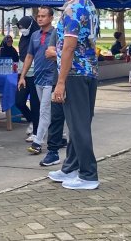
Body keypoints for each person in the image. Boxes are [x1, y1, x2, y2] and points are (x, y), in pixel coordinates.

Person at [47, 0, 100, 190]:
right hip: (89, 71)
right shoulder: (89, 5)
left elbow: (68, 47)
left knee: (78, 126)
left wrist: (60, 82)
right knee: (80, 123)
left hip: (75, 73)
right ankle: (71, 166)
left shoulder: (73, 9)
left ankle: (88, 174)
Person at [20, 7, 57, 155]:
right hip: (38, 78)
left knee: (44, 111)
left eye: (43, 16)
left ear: (51, 18)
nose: (40, 19)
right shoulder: (35, 35)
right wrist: (22, 76)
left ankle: (38, 142)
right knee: (47, 110)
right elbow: (29, 56)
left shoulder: (56, 34)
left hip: (51, 78)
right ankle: (58, 136)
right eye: (38, 16)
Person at [40, 28, 70, 166]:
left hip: (77, 79)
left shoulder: (81, 25)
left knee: (76, 120)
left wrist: (61, 54)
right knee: (56, 116)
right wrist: (66, 54)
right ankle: (53, 152)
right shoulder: (58, 31)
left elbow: (78, 54)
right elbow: (48, 53)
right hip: (57, 81)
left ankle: (74, 157)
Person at [15, 16, 40, 140]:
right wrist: (21, 74)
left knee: (35, 104)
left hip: (35, 74)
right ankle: (32, 120)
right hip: (23, 74)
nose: (22, 30)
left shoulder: (37, 37)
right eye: (20, 28)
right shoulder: (23, 38)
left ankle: (36, 132)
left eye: (24, 28)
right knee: (19, 101)